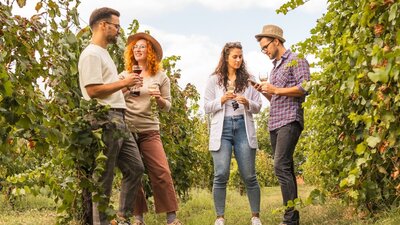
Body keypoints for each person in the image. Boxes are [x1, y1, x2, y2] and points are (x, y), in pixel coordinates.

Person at [78, 7, 144, 225]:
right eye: (115, 26)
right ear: (102, 25)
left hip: (118, 118)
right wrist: (124, 82)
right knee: (104, 178)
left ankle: (121, 217)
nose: (118, 30)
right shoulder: (91, 54)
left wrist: (125, 88)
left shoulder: (103, 53)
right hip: (105, 119)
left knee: (136, 168)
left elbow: (107, 88)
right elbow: (93, 90)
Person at [119, 32, 182, 225]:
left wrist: (159, 99)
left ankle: (171, 218)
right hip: (128, 130)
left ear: (150, 52)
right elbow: (114, 97)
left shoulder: (160, 77)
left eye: (142, 47)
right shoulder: (124, 75)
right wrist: (126, 87)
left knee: (162, 171)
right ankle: (138, 218)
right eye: (135, 47)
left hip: (150, 130)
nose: (137, 49)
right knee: (134, 172)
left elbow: (168, 106)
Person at [254, 24, 310, 225]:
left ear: (276, 41)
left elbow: (305, 87)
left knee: (280, 165)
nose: (265, 51)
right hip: (275, 122)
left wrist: (276, 89)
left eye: (265, 46)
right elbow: (276, 98)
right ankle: (292, 217)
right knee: (286, 167)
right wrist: (265, 91)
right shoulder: (274, 68)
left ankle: (289, 219)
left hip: (290, 119)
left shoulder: (297, 60)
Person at [204, 42, 263, 225]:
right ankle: (220, 217)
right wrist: (221, 100)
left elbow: (258, 106)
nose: (238, 60)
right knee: (221, 174)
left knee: (249, 175)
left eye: (240, 56)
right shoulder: (214, 79)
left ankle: (255, 217)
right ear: (226, 58)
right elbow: (206, 107)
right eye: (234, 56)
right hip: (222, 129)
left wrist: (247, 102)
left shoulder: (249, 79)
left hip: (243, 128)